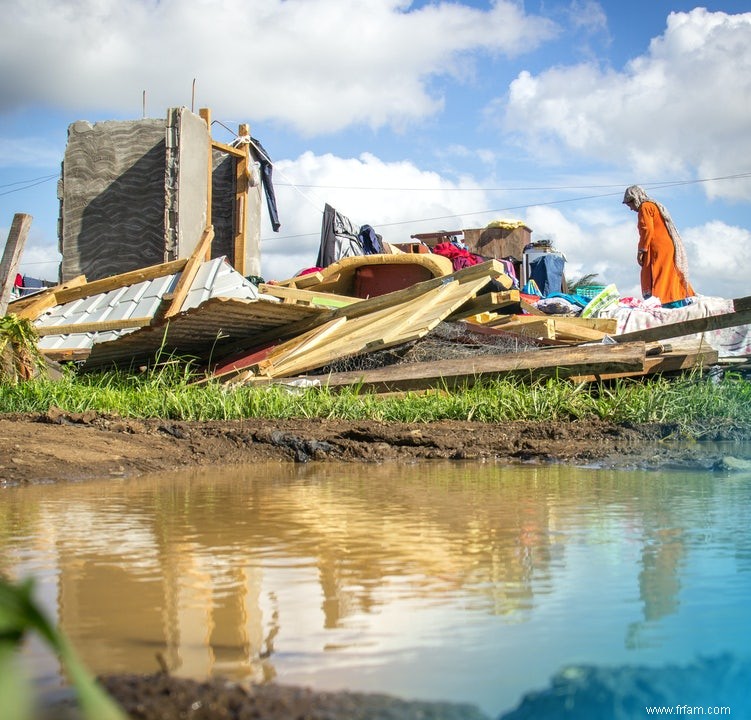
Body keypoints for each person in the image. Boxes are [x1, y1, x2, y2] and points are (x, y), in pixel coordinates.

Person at [622, 185, 695, 308]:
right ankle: (676, 299)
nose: (630, 208)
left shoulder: (645, 207)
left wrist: (641, 250)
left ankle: (664, 302)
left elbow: (647, 230)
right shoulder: (653, 205)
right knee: (669, 274)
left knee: (660, 275)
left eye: (630, 205)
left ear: (635, 199)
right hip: (666, 247)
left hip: (658, 248)